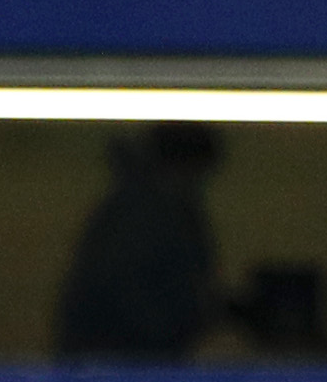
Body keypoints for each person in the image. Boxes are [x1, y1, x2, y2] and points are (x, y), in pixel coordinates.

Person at [55, 123, 223, 359]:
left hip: (119, 355)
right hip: (123, 357)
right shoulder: (146, 213)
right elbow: (122, 284)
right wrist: (170, 331)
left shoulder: (146, 207)